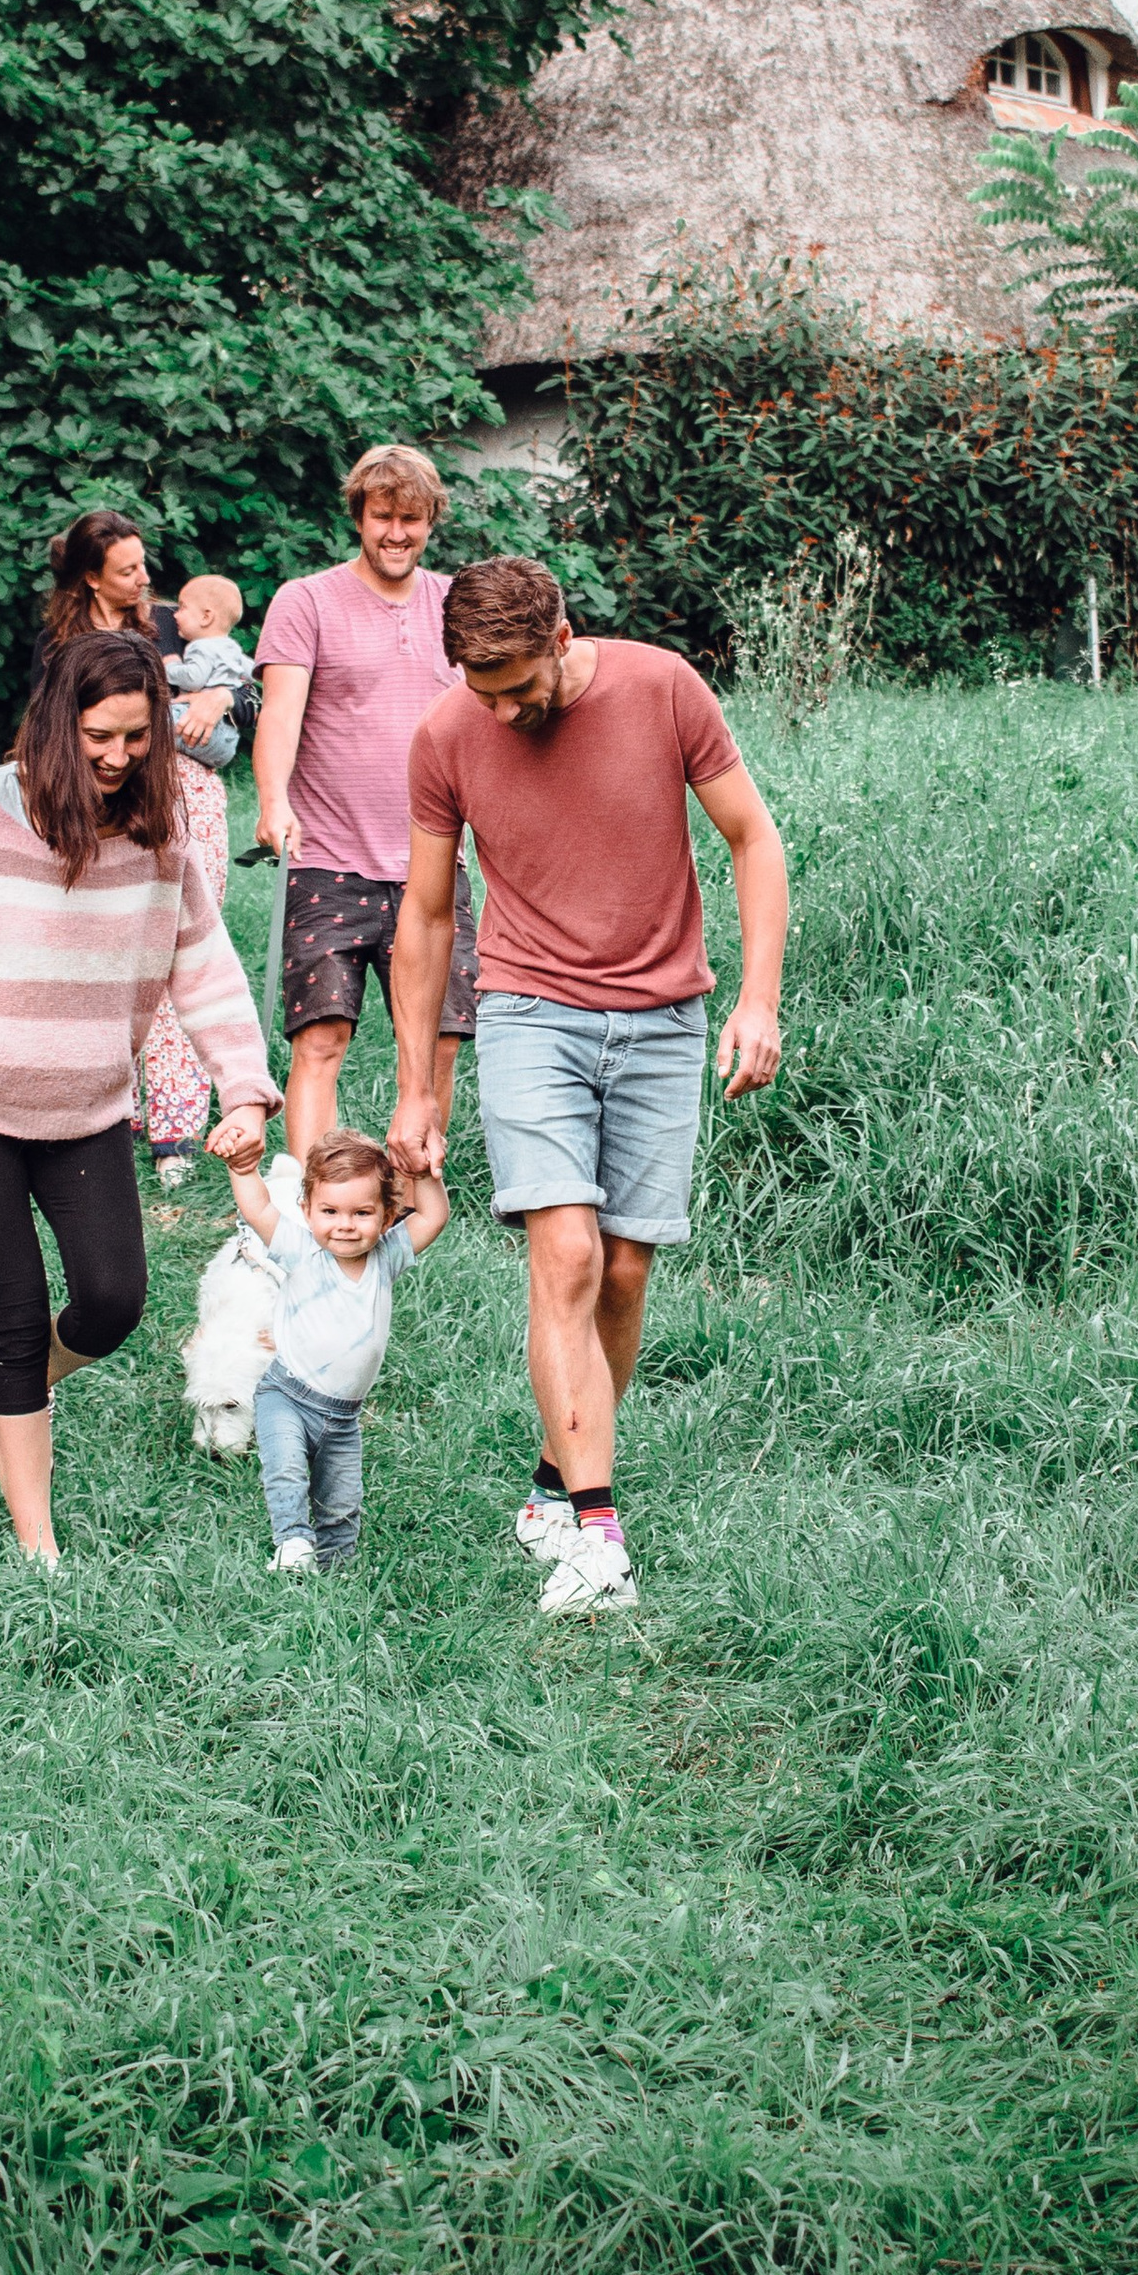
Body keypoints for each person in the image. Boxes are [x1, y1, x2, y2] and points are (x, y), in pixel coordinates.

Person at [387, 556, 788, 1619]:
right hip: (528, 1011)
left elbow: (752, 836)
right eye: (485, 692)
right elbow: (426, 917)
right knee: (562, 1253)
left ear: (562, 636)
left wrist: (758, 1001)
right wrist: (418, 1087)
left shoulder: (664, 688)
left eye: (519, 685)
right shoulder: (447, 736)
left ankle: (551, 1486)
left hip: (663, 1021)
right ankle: (596, 1537)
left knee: (619, 1273)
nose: (505, 711)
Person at [0, 624, 278, 1566]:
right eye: (100, 738)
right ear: (58, 724)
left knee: (113, 1301)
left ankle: (16, 1390)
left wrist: (243, 1092)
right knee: (10, 1319)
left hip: (85, 1110)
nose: (121, 756)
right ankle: (38, 1549)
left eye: (139, 737)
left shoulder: (159, 833)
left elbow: (204, 970)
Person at [252, 444, 482, 1161]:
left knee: (438, 1046)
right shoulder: (307, 599)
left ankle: (413, 1196)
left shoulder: (457, 604)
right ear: (359, 515)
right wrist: (271, 800)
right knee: (321, 1037)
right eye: (382, 516)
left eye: (411, 519)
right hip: (329, 857)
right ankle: (309, 1205)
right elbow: (280, 714)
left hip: (433, 861)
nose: (396, 533)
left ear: (431, 521)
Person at [35, 510, 228, 1195]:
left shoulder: (176, 623)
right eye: (127, 569)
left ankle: (175, 1130)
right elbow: (43, 736)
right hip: (95, 807)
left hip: (183, 796)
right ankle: (104, 1117)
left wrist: (220, 692)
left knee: (181, 954)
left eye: (145, 563)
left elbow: (248, 688)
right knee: (100, 962)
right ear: (90, 578)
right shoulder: (59, 648)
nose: (147, 578)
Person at [223, 1128, 449, 1576]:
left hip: (343, 1418)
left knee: (343, 1504)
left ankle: (335, 1577)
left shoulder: (386, 1258)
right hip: (285, 1395)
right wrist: (243, 1168)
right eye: (330, 1211)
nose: (345, 1224)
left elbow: (434, 1217)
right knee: (286, 1470)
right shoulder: (302, 1251)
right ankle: (292, 1542)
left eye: (362, 1212)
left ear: (388, 1217)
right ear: (307, 1212)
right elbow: (260, 1208)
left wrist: (424, 1174)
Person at [165, 574, 255, 771]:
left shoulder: (201, 648)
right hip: (227, 741)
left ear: (206, 617)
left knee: (152, 717)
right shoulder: (233, 649)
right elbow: (256, 673)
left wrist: (170, 668)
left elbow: (194, 679)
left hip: (196, 728)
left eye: (182, 608)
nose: (175, 615)